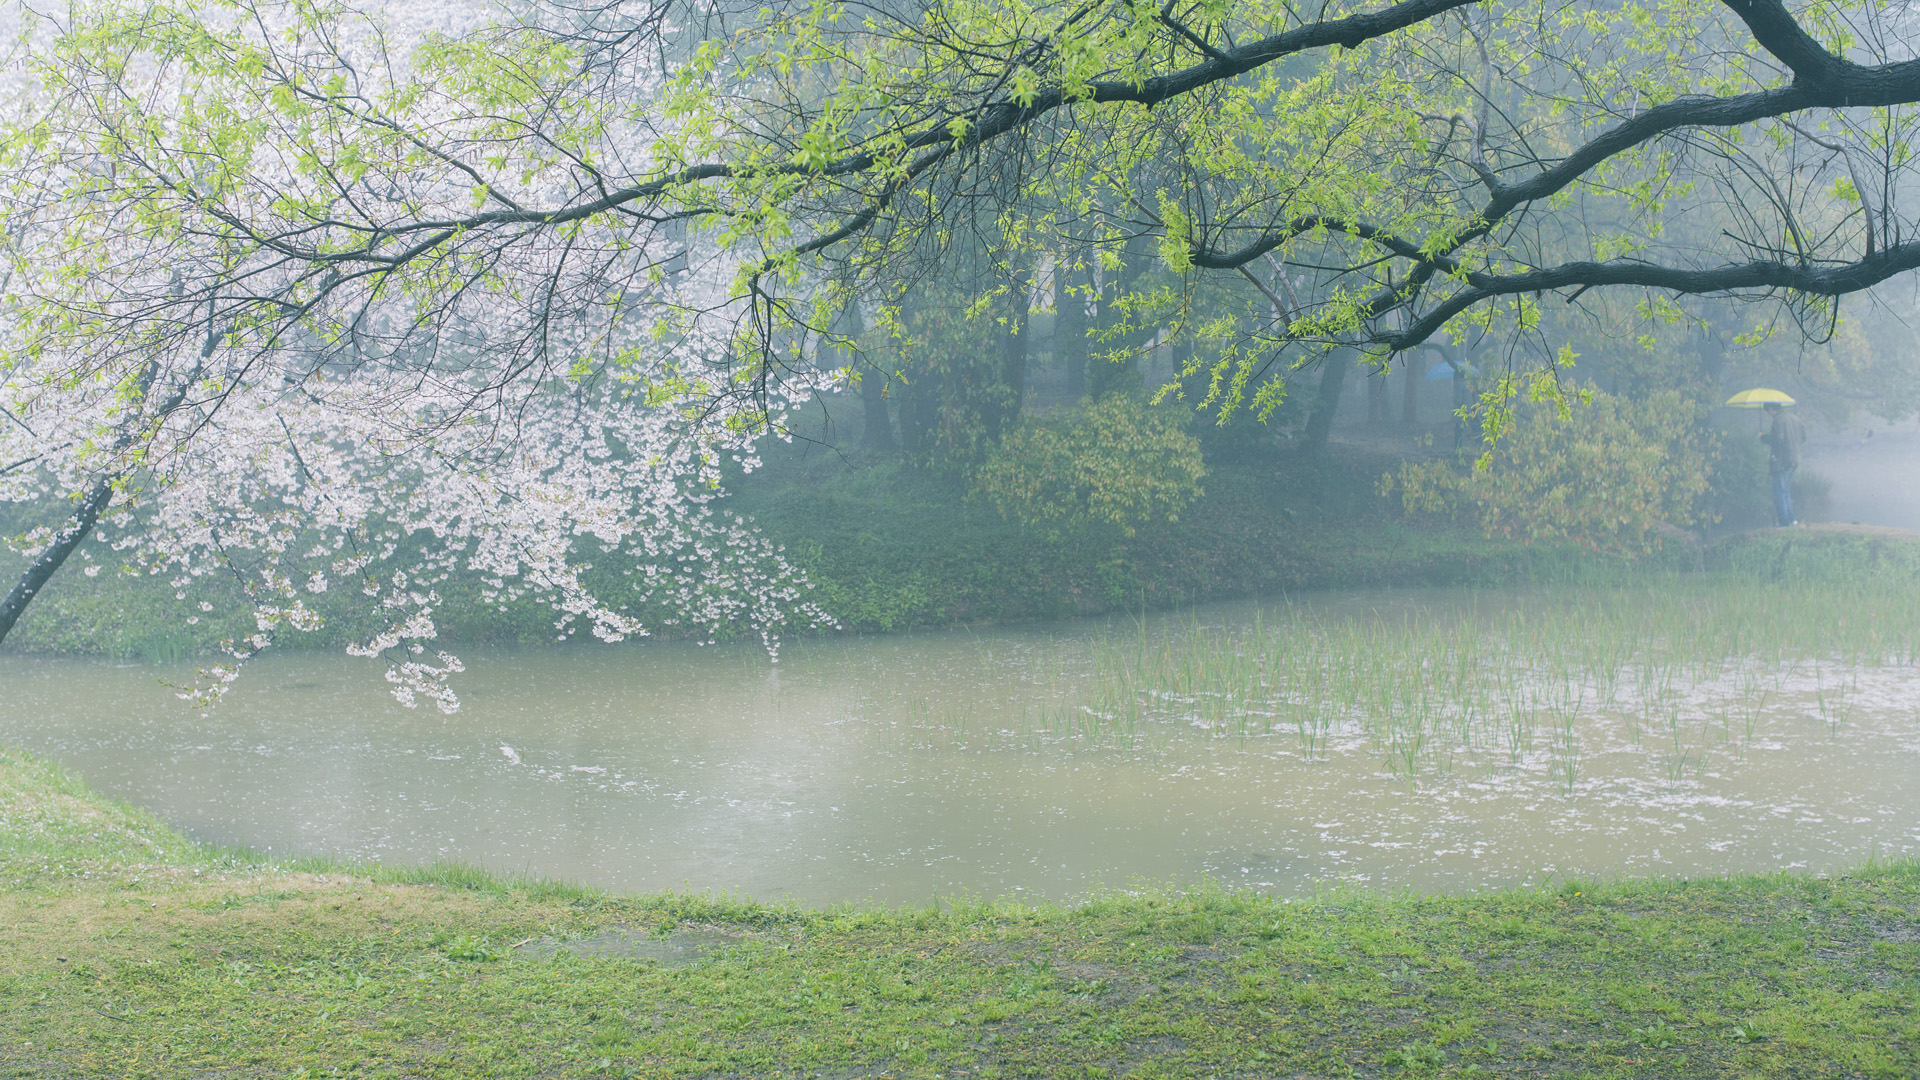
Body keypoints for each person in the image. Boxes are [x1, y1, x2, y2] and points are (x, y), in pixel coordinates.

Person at [1759, 401, 1806, 526]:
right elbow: (1803, 437)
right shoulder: (1795, 418)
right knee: (1785, 490)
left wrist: (1763, 437)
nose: (1769, 414)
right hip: (1795, 460)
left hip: (1782, 462)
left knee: (1778, 492)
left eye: (1768, 411)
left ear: (1771, 409)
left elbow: (1777, 440)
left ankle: (1784, 522)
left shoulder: (1778, 420)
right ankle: (1792, 520)